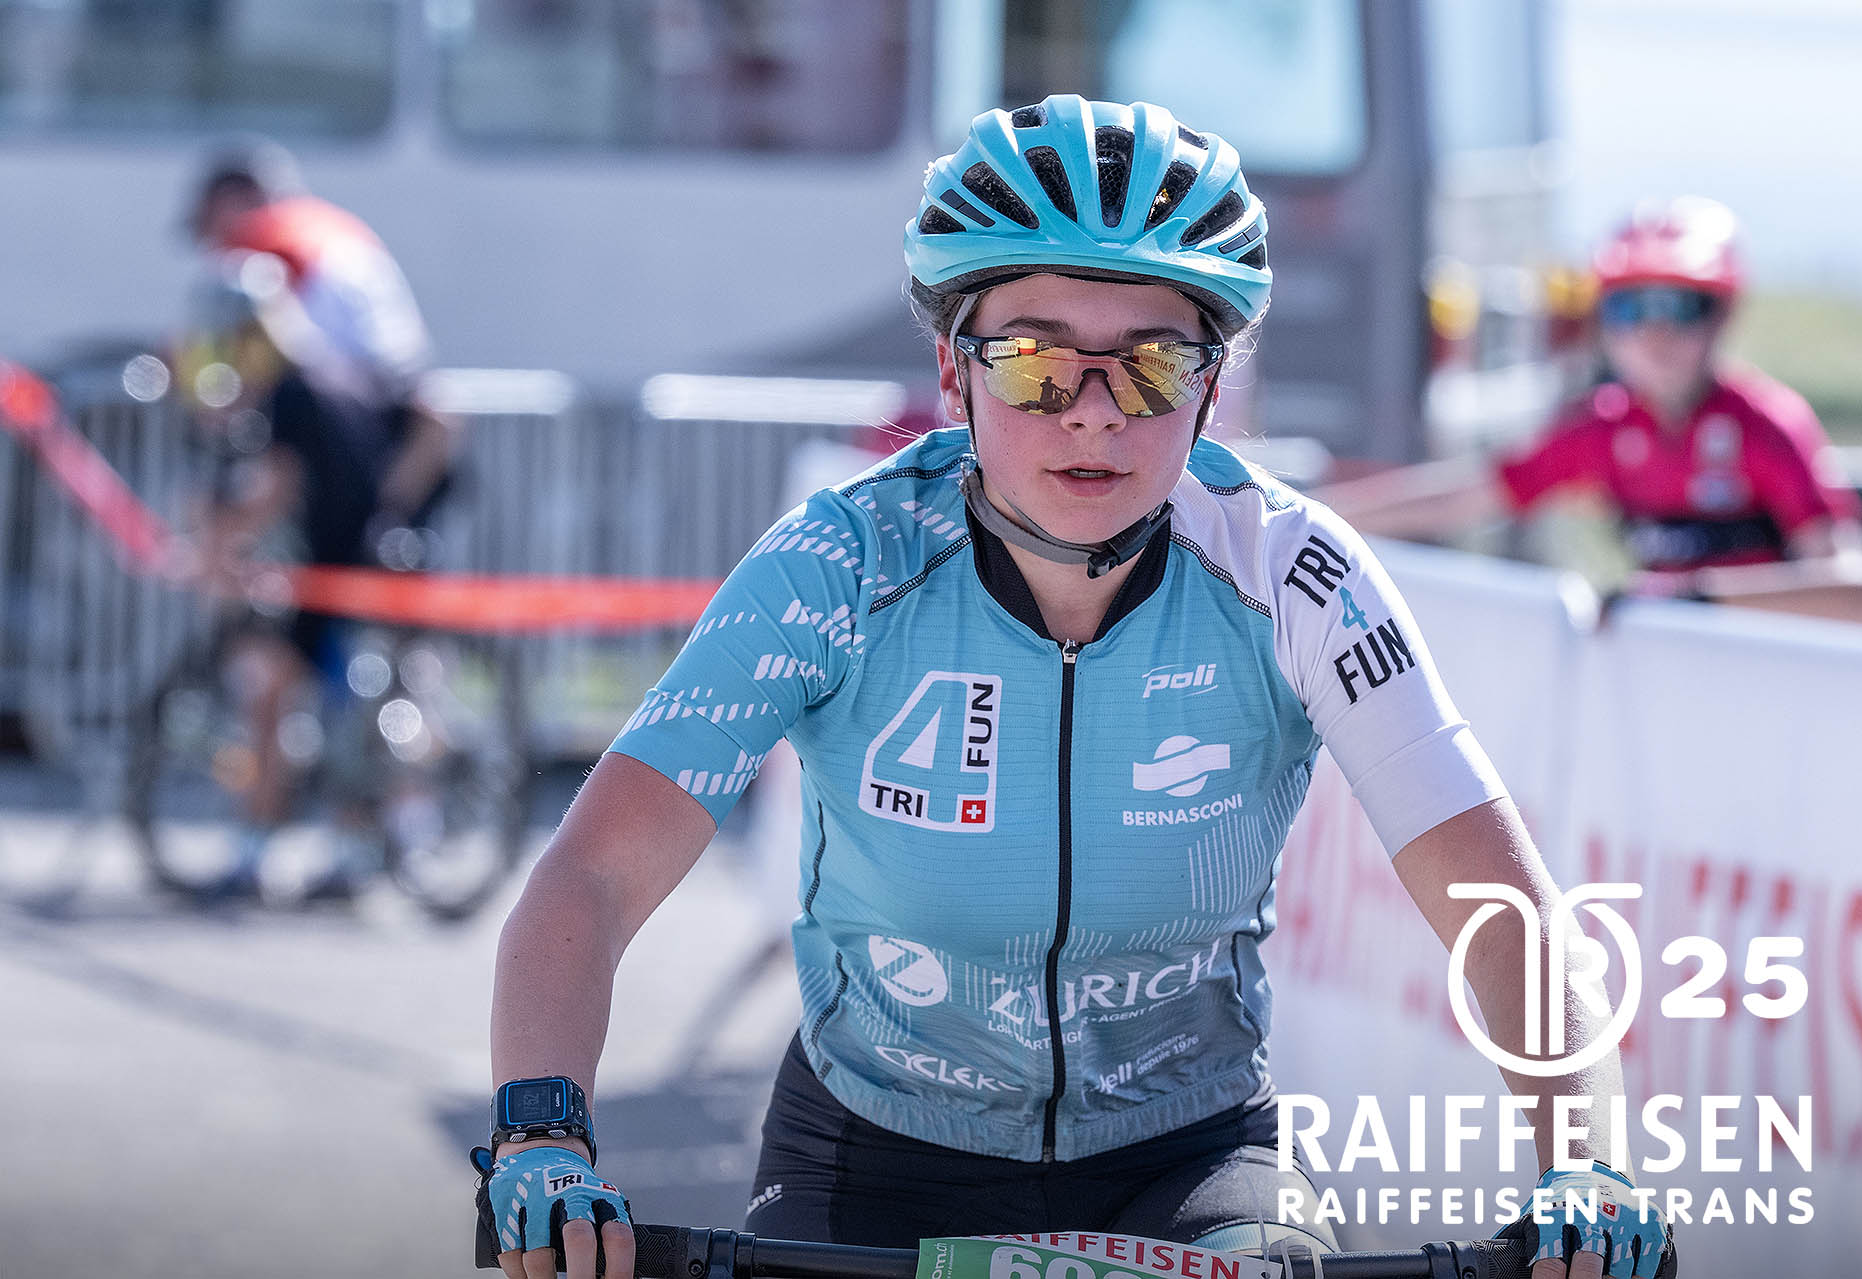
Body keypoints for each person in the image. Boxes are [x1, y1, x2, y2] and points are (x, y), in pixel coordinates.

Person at [477, 95, 1672, 1279]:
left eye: (1151, 365)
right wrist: (543, 1134)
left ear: (1209, 390)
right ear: (954, 375)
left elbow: (1501, 909)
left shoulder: (1293, 575)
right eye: (1036, 362)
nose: (1093, 413)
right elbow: (592, 875)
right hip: (874, 1149)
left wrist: (1590, 1161)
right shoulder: (836, 567)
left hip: (1190, 1149)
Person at [175, 140, 460, 901]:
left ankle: (271, 847)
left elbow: (273, 465)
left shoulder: (272, 267)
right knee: (374, 678)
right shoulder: (337, 241)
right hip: (387, 482)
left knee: (290, 674)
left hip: (348, 507)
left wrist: (214, 543)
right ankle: (370, 842)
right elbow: (428, 411)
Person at [1318, 197, 1862, 582]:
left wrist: (1704, 599)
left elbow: (1840, 574)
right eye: (1631, 306)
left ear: (1722, 315)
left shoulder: (1767, 424)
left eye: (1681, 305)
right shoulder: (1606, 427)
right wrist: (1324, 517)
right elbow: (1471, 494)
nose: (1654, 333)